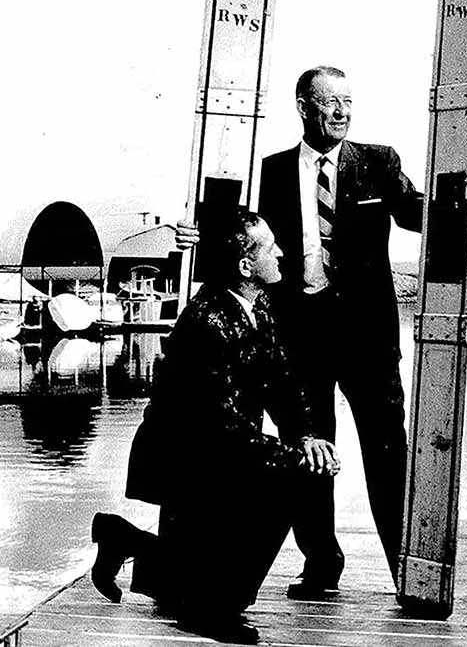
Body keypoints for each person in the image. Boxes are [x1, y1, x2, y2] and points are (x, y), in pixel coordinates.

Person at [176, 65, 467, 599]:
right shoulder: (271, 170)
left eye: (348, 100)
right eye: (331, 102)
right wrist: (197, 235)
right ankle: (322, 563)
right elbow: (238, 238)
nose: (343, 111)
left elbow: (421, 215)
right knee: (308, 452)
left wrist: (465, 190)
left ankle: (406, 568)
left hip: (368, 341)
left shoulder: (378, 162)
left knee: (389, 454)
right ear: (304, 106)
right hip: (297, 340)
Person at [91, 211, 340, 645]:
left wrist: (306, 435)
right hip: (186, 460)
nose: (281, 253)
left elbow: (283, 382)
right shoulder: (208, 322)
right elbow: (220, 429)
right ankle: (213, 612)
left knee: (188, 573)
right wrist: (297, 457)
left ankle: (121, 538)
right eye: (270, 247)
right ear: (245, 266)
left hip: (215, 451)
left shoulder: (255, 304)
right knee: (299, 474)